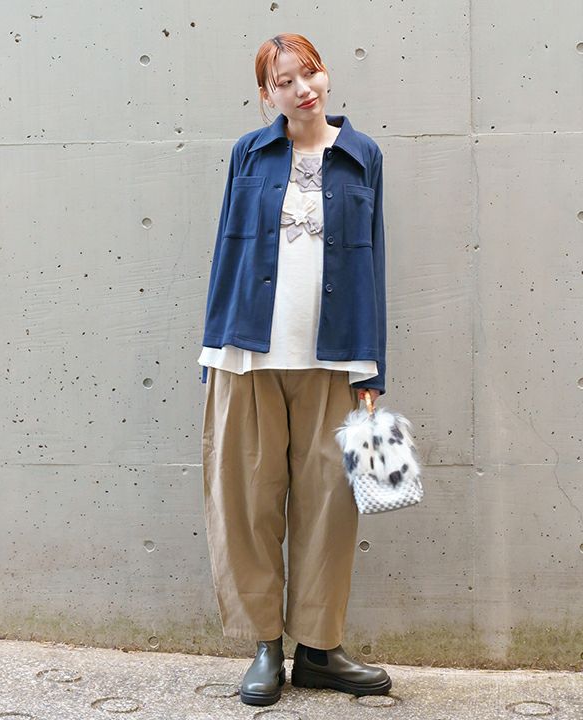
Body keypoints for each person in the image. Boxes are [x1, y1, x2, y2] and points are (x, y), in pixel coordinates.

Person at [197, 33, 391, 706]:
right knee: (248, 504)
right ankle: (264, 646)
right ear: (267, 94)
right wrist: (215, 344)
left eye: (309, 72)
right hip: (248, 355)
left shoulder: (363, 155)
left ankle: (318, 650)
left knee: (330, 509)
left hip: (334, 358)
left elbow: (374, 260)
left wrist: (373, 368)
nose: (302, 88)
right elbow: (226, 249)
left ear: (324, 74)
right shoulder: (248, 154)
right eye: (285, 81)